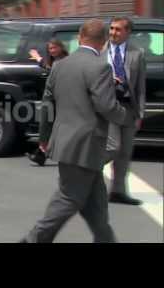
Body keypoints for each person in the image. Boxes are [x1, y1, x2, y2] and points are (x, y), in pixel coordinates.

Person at [20, 19, 129, 243]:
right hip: (86, 145)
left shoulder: (60, 65)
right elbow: (107, 106)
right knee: (69, 198)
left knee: (95, 205)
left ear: (80, 37)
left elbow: (47, 103)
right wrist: (126, 117)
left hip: (68, 143)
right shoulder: (100, 67)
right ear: (104, 41)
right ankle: (33, 239)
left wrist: (43, 137)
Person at [104, 17, 146, 205]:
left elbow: (140, 87)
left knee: (125, 153)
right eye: (112, 28)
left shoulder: (137, 53)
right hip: (107, 107)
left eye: (118, 29)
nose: (113, 32)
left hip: (129, 108)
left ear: (128, 32)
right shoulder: (100, 51)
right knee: (113, 148)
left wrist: (140, 113)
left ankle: (118, 192)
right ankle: (84, 177)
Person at [27, 39, 69, 166]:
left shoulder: (65, 61)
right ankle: (42, 153)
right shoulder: (55, 61)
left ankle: (44, 153)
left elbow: (53, 72)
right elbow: (49, 67)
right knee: (45, 125)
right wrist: (38, 58)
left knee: (49, 125)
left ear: (61, 47)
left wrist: (39, 59)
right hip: (50, 98)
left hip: (57, 98)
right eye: (50, 49)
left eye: (54, 48)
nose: (52, 51)